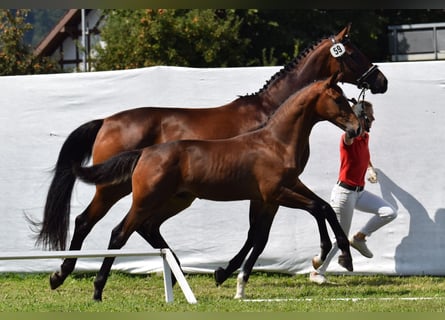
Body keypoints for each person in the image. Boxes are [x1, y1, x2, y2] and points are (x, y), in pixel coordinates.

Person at [309, 100, 397, 285]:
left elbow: (365, 154)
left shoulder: (365, 137)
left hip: (359, 192)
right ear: (361, 118)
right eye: (370, 116)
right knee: (339, 238)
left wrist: (371, 169)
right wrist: (353, 116)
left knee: (389, 212)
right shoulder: (347, 138)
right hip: (344, 194)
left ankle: (359, 238)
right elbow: (349, 135)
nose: (373, 118)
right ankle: (317, 272)